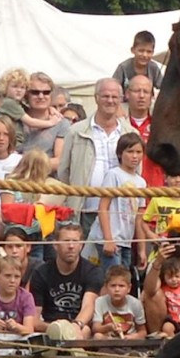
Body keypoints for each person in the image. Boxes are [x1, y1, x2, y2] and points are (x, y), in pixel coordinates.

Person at [60, 79, 131, 253]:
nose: (110, 100)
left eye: (115, 97)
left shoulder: (130, 134)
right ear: (96, 98)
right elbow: (64, 171)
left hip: (118, 214)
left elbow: (135, 174)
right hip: (85, 210)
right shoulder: (76, 132)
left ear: (121, 99)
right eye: (105, 96)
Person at [29, 219, 105, 341]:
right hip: (50, 326)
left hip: (80, 325)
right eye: (66, 241)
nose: (71, 246)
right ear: (55, 245)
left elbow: (88, 306)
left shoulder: (92, 271)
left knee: (84, 331)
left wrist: (76, 325)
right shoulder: (41, 273)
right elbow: (35, 319)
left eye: (75, 241)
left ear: (81, 245)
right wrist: (59, 329)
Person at [17, 72, 70, 164]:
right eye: (35, 92)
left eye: (46, 92)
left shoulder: (61, 123)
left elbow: (59, 161)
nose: (41, 96)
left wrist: (27, 166)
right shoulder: (15, 119)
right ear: (26, 94)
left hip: (46, 176)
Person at [89, 263, 146, 342]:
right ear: (106, 287)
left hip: (128, 341)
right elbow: (95, 328)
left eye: (121, 286)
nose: (117, 290)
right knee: (97, 336)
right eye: (113, 285)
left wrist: (132, 337)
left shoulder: (135, 303)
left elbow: (142, 332)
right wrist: (109, 327)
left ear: (129, 288)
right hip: (109, 340)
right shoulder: (100, 302)